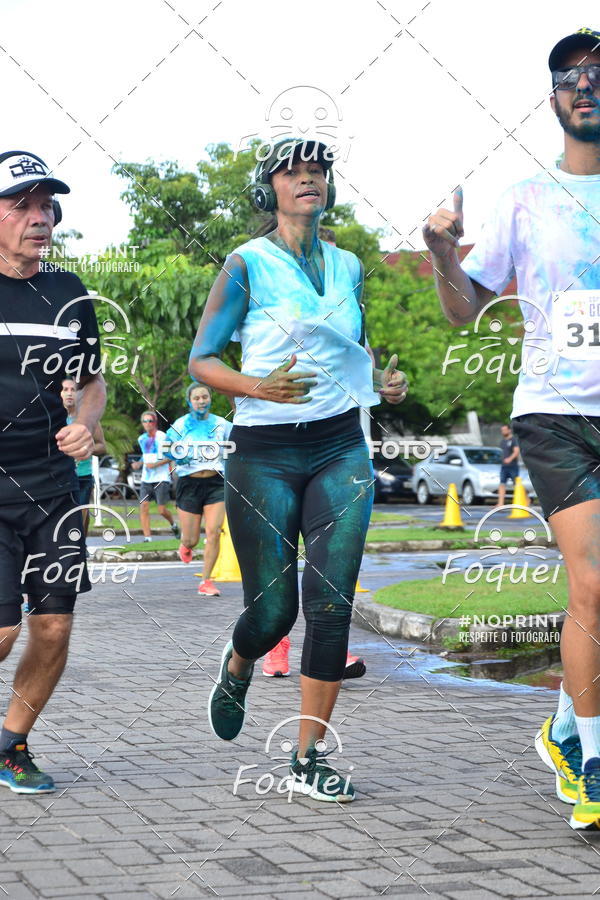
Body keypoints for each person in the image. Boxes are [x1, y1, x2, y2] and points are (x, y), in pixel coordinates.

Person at [190, 138, 407, 801]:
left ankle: (309, 758)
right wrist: (257, 387)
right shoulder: (246, 264)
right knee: (274, 612)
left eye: (318, 171)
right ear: (271, 189)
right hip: (264, 452)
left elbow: (352, 348)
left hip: (341, 446)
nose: (308, 179)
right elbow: (202, 360)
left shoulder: (349, 266)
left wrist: (382, 381)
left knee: (332, 604)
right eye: (293, 171)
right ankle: (238, 662)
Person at [423, 27, 600, 829]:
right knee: (591, 582)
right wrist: (440, 253)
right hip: (556, 411)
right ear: (552, 98)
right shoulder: (527, 198)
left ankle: (564, 723)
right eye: (569, 75)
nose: (585, 85)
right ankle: (593, 762)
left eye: (598, 72)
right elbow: (466, 308)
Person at [0, 150, 106, 793]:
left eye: (47, 206)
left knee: (53, 625)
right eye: (23, 205)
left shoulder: (69, 293)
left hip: (52, 488)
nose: (39, 218)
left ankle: (11, 744)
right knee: (2, 628)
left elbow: (92, 381)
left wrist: (86, 425)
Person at [263, 223, 366, 682]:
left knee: (332, 564)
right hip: (274, 448)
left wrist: (383, 382)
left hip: (336, 445)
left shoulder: (346, 299)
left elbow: (361, 358)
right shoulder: (269, 291)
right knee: (281, 563)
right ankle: (274, 646)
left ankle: (330, 647)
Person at [163, 383, 232, 596]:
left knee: (214, 532)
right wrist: (177, 456)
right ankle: (186, 545)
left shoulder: (221, 424)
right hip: (189, 484)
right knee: (191, 539)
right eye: (197, 398)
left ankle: (206, 581)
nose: (201, 401)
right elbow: (165, 447)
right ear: (189, 401)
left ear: (210, 399)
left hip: (216, 483)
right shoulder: (181, 424)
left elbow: (238, 443)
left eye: (205, 397)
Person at [61, 377, 106, 535]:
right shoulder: (54, 419)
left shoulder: (88, 420)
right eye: (65, 390)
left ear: (79, 394)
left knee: (79, 519)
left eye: (73, 390)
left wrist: (85, 448)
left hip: (83, 477)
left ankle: (81, 546)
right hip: (60, 478)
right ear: (60, 394)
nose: (69, 393)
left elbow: (102, 446)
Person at [131, 411, 179, 542]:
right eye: (145, 421)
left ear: (155, 422)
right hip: (146, 479)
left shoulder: (162, 437)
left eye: (150, 421)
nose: (148, 424)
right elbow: (145, 456)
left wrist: (156, 464)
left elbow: (172, 456)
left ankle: (173, 525)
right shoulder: (141, 439)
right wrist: (139, 463)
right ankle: (147, 538)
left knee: (161, 510)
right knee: (143, 507)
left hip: (161, 478)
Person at [496, 423, 519, 508]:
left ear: (509, 430)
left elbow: (516, 452)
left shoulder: (514, 440)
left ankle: (525, 499)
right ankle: (500, 503)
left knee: (517, 484)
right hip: (504, 466)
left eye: (505, 430)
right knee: (502, 484)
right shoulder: (502, 441)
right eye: (502, 430)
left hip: (513, 466)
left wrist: (510, 459)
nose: (503, 431)